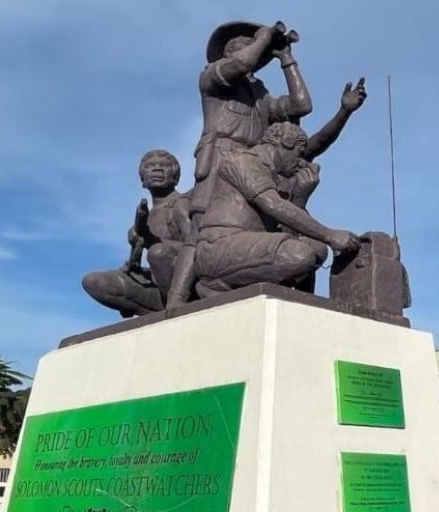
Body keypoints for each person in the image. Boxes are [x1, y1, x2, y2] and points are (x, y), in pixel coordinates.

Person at [192, 121, 359, 296]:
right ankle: (215, 284)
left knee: (317, 249)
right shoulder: (242, 160)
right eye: (299, 154)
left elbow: (286, 228)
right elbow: (273, 205)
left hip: (251, 244)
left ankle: (299, 303)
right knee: (298, 255)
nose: (301, 162)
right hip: (218, 246)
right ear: (286, 143)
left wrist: (300, 198)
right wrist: (330, 235)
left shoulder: (274, 175)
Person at [190, 20, 311, 232]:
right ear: (228, 52)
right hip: (220, 155)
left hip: (254, 162)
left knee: (256, 224)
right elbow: (241, 64)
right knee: (201, 228)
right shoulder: (211, 76)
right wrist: (263, 37)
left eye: (253, 43)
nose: (255, 47)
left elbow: (301, 105)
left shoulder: (260, 94)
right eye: (245, 44)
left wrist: (286, 58)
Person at [82, 150, 194, 316]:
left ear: (176, 177)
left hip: (186, 283)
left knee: (158, 253)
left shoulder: (183, 203)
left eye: (164, 166)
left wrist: (154, 243)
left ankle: (180, 305)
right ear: (142, 180)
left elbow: (195, 244)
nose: (157, 169)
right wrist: (136, 256)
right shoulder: (147, 216)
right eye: (150, 166)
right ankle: (153, 313)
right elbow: (140, 260)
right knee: (93, 281)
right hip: (158, 285)